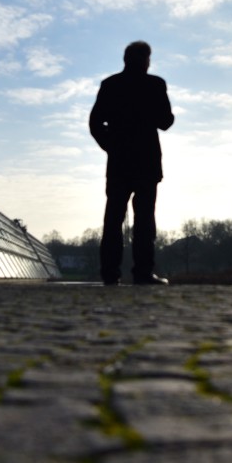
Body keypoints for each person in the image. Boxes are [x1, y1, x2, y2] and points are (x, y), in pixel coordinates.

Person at [89, 41, 175, 285]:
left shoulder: (111, 85)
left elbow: (95, 123)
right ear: (146, 60)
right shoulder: (155, 85)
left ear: (125, 59)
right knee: (145, 219)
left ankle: (110, 272)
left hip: (119, 161)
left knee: (114, 218)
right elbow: (165, 122)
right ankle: (143, 272)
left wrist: (110, 147)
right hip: (146, 160)